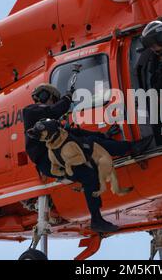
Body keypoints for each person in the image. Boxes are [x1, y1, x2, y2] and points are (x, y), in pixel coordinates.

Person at [23, 83, 153, 233]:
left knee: (90, 174)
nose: (54, 103)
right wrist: (67, 98)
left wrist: (104, 136)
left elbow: (79, 134)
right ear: (46, 96)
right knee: (90, 151)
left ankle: (96, 220)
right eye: (54, 99)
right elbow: (54, 110)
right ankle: (132, 148)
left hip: (59, 157)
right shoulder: (30, 112)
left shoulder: (52, 124)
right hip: (49, 161)